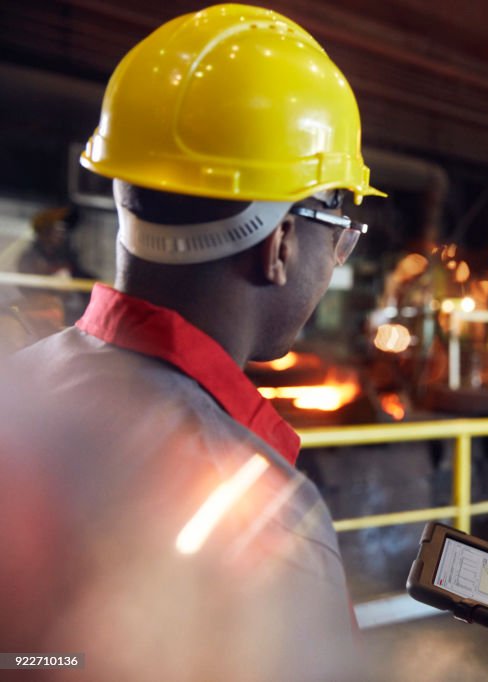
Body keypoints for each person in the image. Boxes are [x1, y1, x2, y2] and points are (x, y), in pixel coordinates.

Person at [0, 5, 383, 680]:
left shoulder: (19, 386)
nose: (338, 257)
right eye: (340, 232)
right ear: (281, 243)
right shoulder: (260, 521)